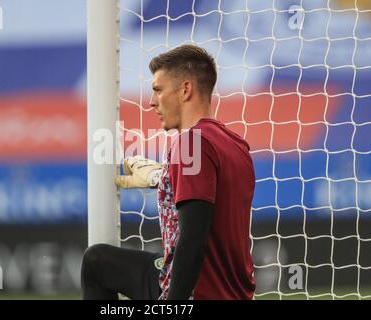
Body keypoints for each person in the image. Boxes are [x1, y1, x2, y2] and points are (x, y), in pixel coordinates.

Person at [81, 44, 256, 300]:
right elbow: (213, 195)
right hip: (233, 291)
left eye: (158, 90)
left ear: (185, 90)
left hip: (199, 292)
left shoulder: (191, 143)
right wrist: (161, 178)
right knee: (98, 262)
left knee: (96, 264)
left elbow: (193, 239)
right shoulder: (234, 144)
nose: (151, 102)